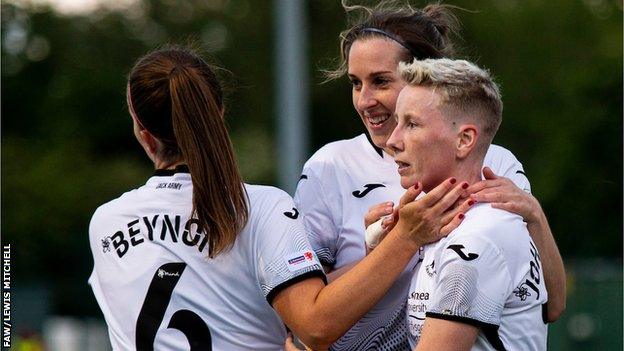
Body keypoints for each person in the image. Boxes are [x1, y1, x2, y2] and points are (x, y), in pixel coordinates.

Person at [87, 46, 470, 351]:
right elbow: (316, 326)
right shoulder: (260, 207)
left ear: (142, 132)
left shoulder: (105, 223)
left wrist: (375, 254)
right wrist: (406, 237)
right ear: (218, 113)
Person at [294, 2, 565, 350]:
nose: (364, 100)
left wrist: (535, 216)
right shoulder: (328, 166)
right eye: (355, 83)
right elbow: (304, 319)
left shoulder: (494, 165)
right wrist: (388, 247)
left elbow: (549, 305)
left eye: (380, 81)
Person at [388, 58, 548, 350]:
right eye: (397, 122)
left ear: (464, 140)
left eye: (411, 124)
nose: (392, 140)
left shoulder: (479, 235)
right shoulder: (446, 223)